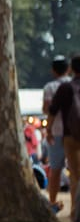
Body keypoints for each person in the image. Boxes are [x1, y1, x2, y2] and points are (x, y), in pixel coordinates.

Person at [47, 54, 80, 222]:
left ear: (72, 69)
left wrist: (48, 130)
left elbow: (52, 110)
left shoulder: (65, 87)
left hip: (70, 136)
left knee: (75, 175)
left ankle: (76, 215)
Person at [42, 55, 70, 211]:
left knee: (55, 169)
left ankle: (52, 202)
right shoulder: (73, 85)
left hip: (56, 132)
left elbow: (46, 109)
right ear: (68, 69)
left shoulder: (49, 87)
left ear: (53, 70)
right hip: (74, 132)